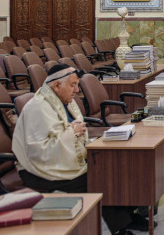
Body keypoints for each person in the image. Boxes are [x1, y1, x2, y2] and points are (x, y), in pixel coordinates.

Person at [12, 65, 143, 235]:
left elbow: (75, 131)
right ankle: (120, 227)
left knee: (117, 166)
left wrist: (78, 136)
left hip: (62, 160)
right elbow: (39, 152)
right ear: (56, 86)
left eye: (77, 85)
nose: (77, 90)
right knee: (99, 178)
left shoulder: (66, 101)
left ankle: (129, 217)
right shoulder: (37, 108)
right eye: (73, 85)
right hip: (38, 170)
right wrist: (71, 133)